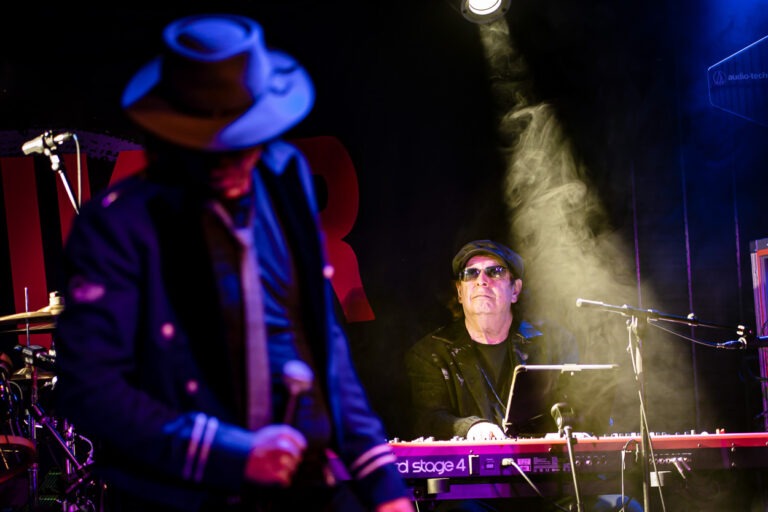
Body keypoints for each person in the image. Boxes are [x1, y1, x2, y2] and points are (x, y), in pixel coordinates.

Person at [53, 13, 414, 512]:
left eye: (243, 140)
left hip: (305, 486)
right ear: (171, 137)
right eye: (208, 146)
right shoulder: (119, 225)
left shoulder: (285, 176)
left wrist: (381, 480)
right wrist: (231, 454)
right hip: (184, 495)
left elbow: (322, 342)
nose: (231, 160)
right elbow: (89, 387)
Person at [404, 239, 642, 512]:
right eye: (471, 273)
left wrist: (582, 425)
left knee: (625, 507)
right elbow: (429, 418)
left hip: (550, 487)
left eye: (495, 271)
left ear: (515, 289)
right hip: (472, 492)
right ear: (460, 291)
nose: (481, 280)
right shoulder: (431, 352)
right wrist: (471, 428)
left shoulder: (553, 342)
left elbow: (577, 406)